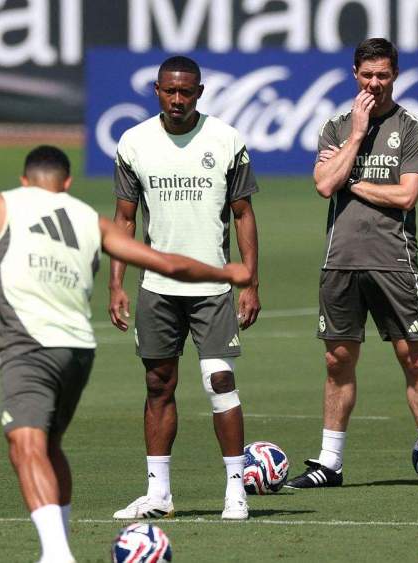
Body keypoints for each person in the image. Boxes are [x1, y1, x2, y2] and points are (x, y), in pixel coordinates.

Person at [0, 145, 250, 563]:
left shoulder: (2, 205)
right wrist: (225, 272)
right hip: (78, 352)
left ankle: (57, 555)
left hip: (30, 346)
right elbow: (167, 264)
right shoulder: (90, 219)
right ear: (67, 183)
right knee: (49, 446)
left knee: (25, 445)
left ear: (24, 180)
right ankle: (59, 547)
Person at [287, 38, 418, 491]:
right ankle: (329, 462)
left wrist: (350, 179)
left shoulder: (412, 126)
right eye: (367, 75)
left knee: (413, 357)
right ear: (354, 74)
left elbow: (406, 195)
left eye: (383, 75)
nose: (374, 83)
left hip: (394, 258)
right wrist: (357, 136)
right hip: (340, 259)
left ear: (395, 75)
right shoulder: (336, 127)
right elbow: (323, 186)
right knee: (337, 359)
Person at [108, 55, 261, 521]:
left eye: (186, 91)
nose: (178, 99)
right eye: (170, 91)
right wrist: (116, 283)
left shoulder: (226, 139)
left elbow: (243, 214)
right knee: (158, 384)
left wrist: (250, 282)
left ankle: (236, 490)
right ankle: (158, 494)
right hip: (157, 287)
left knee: (219, 381)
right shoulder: (134, 143)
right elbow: (124, 220)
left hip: (213, 285)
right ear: (157, 90)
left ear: (200, 92)